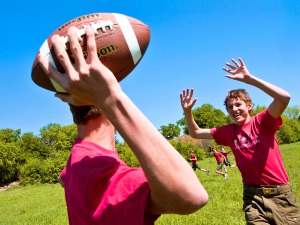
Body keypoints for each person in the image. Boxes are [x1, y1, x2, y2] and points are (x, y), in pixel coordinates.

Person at [38, 25, 208, 225]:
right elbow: (191, 196)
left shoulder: (78, 160)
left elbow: (63, 177)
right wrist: (110, 97)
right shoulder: (103, 174)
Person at [180, 57, 300, 224]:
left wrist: (250, 79)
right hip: (253, 198)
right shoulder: (228, 132)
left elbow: (284, 98)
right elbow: (196, 132)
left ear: (249, 105)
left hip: (280, 196)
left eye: (238, 105)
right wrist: (187, 112)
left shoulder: (262, 122)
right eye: (230, 107)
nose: (234, 109)